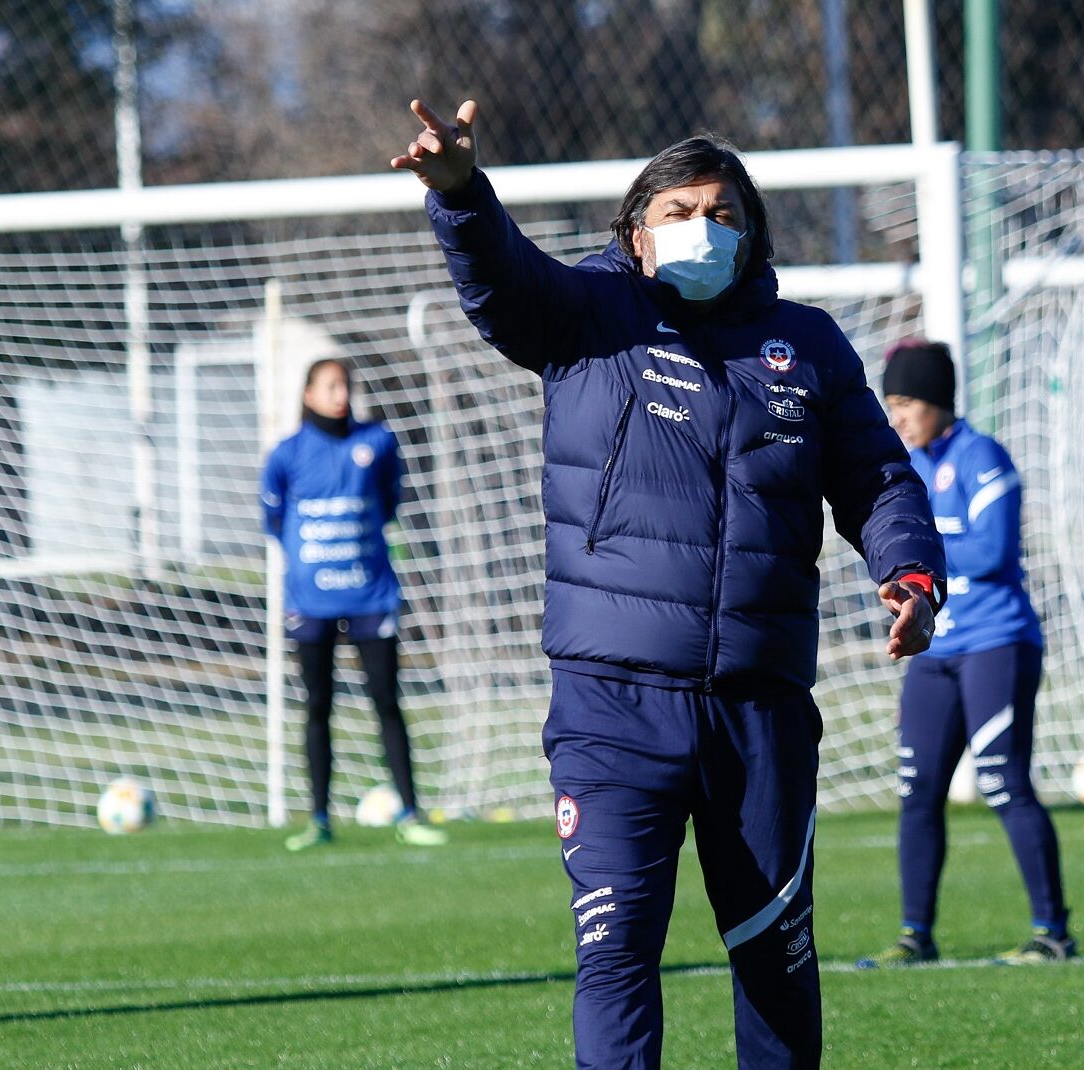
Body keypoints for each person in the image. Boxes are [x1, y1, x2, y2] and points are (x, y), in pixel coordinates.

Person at [392, 99, 944, 1069]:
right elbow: (500, 282)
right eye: (681, 209)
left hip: (759, 708)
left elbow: (879, 476)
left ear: (752, 230)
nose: (705, 227)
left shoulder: (806, 345)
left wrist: (909, 574)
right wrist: (461, 195)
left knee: (775, 956)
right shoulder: (585, 318)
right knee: (613, 954)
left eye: (725, 212)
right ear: (636, 233)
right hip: (613, 704)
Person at [855, 339, 1073, 969]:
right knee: (917, 788)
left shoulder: (983, 458)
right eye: (889, 404)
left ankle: (1052, 931)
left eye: (906, 404)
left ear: (938, 402)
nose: (896, 417)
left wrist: (930, 547)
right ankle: (914, 935)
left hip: (996, 643)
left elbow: (994, 551)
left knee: (1004, 782)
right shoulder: (906, 469)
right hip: (933, 651)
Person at [260, 357, 447, 851]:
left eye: (345, 385)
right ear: (308, 394)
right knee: (318, 704)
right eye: (330, 385)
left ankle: (410, 812)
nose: (340, 393)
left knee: (387, 701)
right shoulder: (287, 454)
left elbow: (388, 504)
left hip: (371, 593)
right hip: (311, 600)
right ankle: (319, 818)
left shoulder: (378, 442)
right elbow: (274, 520)